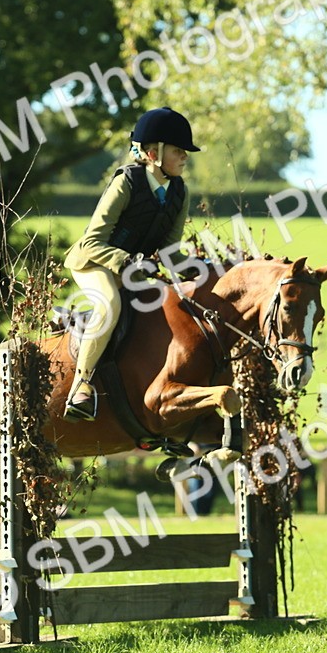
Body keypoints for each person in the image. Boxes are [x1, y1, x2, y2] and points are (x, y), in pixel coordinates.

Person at [60, 107, 198, 421]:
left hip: (130, 270)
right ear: (153, 153)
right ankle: (80, 386)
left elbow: (170, 251)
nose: (185, 157)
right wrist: (126, 262)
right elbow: (94, 239)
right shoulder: (126, 183)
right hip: (93, 262)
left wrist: (199, 269)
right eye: (179, 151)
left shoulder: (180, 192)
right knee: (110, 303)